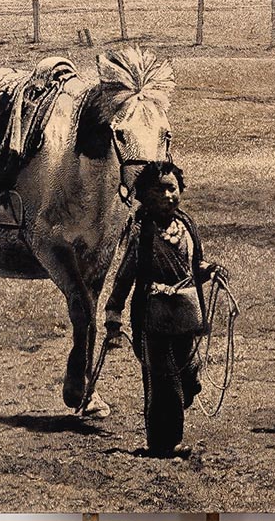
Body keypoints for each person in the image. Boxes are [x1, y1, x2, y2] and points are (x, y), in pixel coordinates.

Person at [104, 161, 228, 458]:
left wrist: (210, 270)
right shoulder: (141, 235)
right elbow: (124, 278)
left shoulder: (186, 228)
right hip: (154, 316)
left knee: (189, 374)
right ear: (145, 197)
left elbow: (194, 265)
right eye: (160, 190)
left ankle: (176, 410)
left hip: (186, 315)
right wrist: (113, 319)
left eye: (173, 188)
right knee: (162, 382)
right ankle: (164, 442)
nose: (168, 195)